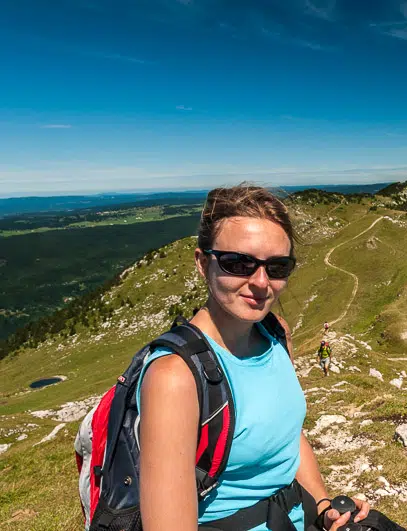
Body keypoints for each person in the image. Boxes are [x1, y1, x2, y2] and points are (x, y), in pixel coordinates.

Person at [137, 184, 369, 531]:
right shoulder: (174, 376)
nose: (261, 282)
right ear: (203, 263)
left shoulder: (275, 333)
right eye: (238, 263)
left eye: (277, 267)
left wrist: (323, 508)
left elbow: (288, 436)